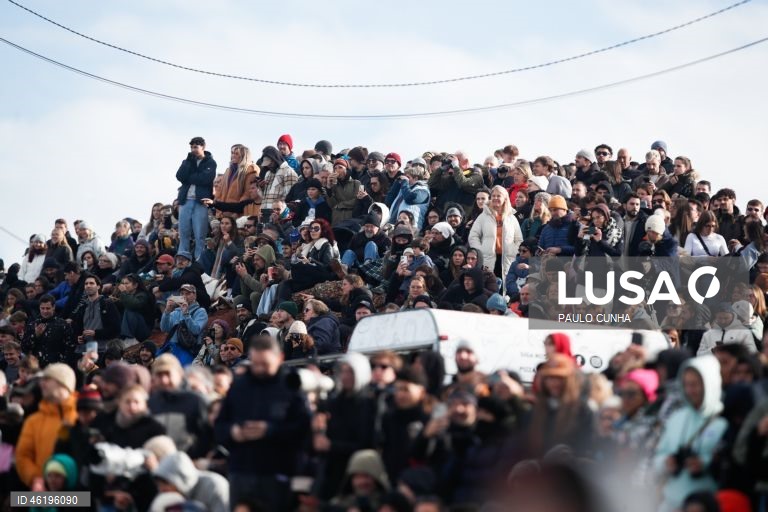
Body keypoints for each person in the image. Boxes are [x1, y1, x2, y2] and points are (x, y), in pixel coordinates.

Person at [213, 334, 311, 509]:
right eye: (255, 364)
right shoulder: (239, 385)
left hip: (276, 472)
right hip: (241, 471)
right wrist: (233, 432)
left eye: (265, 364)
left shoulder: (291, 385)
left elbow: (303, 429)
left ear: (279, 358)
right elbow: (220, 426)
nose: (259, 369)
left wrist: (270, 430)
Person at [654, 355, 728, 512]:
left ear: (710, 385)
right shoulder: (676, 417)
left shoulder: (724, 421)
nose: (689, 390)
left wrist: (705, 463)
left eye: (695, 385)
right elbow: (658, 456)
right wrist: (666, 462)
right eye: (686, 384)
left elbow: (728, 465)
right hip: (671, 502)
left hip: (704, 504)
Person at [15, 363, 78, 489]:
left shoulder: (80, 417)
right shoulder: (33, 421)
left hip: (77, 496)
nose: (42, 383)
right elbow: (22, 456)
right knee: (19, 500)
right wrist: (36, 479)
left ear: (63, 384)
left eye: (47, 379)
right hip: (42, 494)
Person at [468, 185, 523, 292]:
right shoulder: (483, 216)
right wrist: (481, 251)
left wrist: (513, 251)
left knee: (506, 288)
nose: (495, 198)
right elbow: (473, 236)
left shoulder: (511, 217)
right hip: (488, 258)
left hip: (507, 259)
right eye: (493, 196)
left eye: (499, 196)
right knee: (489, 288)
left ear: (505, 198)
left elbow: (519, 239)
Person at [176, 136, 217, 261]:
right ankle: (182, 259)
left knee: (200, 234)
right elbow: (179, 176)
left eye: (196, 147)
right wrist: (189, 162)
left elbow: (206, 179)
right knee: (184, 233)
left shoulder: (210, 162)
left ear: (203, 147)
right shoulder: (188, 160)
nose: (193, 149)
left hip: (200, 202)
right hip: (185, 201)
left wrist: (189, 177)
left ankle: (199, 261)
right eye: (192, 147)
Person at [158, 284, 209, 367]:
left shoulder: (200, 311)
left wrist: (186, 313)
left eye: (188, 293)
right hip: (172, 348)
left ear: (195, 295)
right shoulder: (175, 312)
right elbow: (164, 328)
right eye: (182, 294)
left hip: (188, 349)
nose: (184, 296)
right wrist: (167, 311)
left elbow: (196, 330)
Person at [71, 274, 121, 353]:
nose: (88, 286)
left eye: (91, 283)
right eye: (86, 284)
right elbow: (77, 329)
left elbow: (116, 329)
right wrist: (78, 337)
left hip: (103, 350)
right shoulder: (82, 307)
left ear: (98, 286)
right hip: (84, 351)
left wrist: (96, 333)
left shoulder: (107, 304)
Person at [22, 294, 74, 367]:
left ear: (53, 307)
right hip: (37, 368)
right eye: (42, 308)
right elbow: (24, 348)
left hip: (56, 367)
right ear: (39, 308)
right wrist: (35, 335)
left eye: (48, 308)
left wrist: (63, 365)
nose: (45, 311)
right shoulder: (32, 325)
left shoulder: (63, 325)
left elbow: (70, 348)